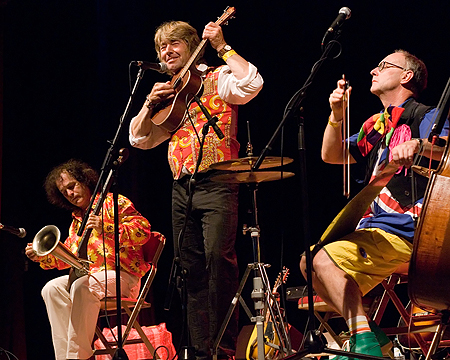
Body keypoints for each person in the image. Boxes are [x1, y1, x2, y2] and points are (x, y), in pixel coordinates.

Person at [300, 49, 449, 359]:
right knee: (308, 262)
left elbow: (447, 153)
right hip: (373, 231)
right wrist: (336, 115)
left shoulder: (426, 116)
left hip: (410, 233)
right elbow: (331, 155)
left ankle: (365, 346)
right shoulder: (377, 125)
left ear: (406, 76)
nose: (373, 70)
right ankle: (368, 334)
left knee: (323, 260)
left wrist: (421, 145)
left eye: (383, 65)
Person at [129, 20, 263, 360]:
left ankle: (225, 348)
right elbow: (139, 138)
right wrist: (148, 104)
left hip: (218, 181)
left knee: (219, 261)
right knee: (191, 268)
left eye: (174, 44)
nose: (167, 51)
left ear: (192, 46)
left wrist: (222, 46)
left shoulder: (217, 78)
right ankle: (202, 351)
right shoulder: (170, 91)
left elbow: (252, 83)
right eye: (161, 47)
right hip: (181, 186)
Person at [25, 159, 153, 360]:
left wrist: (107, 227)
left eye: (72, 186)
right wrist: (42, 256)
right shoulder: (77, 222)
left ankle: (78, 357)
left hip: (123, 278)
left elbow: (143, 232)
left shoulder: (113, 202)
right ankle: (64, 357)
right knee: (51, 288)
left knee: (81, 285)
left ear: (85, 181)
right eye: (63, 191)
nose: (69, 193)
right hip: (92, 280)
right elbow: (69, 258)